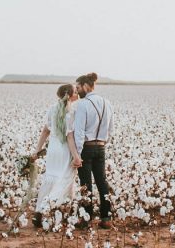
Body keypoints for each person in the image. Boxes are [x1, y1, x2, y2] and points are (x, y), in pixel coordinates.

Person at [31, 84, 83, 227]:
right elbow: (70, 138)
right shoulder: (70, 112)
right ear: (70, 95)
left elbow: (45, 131)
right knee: (66, 179)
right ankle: (49, 209)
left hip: (53, 149)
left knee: (51, 178)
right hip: (64, 150)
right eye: (75, 91)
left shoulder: (51, 109)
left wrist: (37, 150)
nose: (77, 93)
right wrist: (76, 156)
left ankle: (40, 212)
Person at [73, 72, 114, 229]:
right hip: (101, 147)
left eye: (78, 88)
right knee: (102, 182)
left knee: (85, 184)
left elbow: (79, 131)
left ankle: (86, 218)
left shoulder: (83, 104)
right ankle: (106, 217)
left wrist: (77, 153)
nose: (77, 91)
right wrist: (102, 143)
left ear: (85, 86)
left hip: (86, 147)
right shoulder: (107, 103)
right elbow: (111, 129)